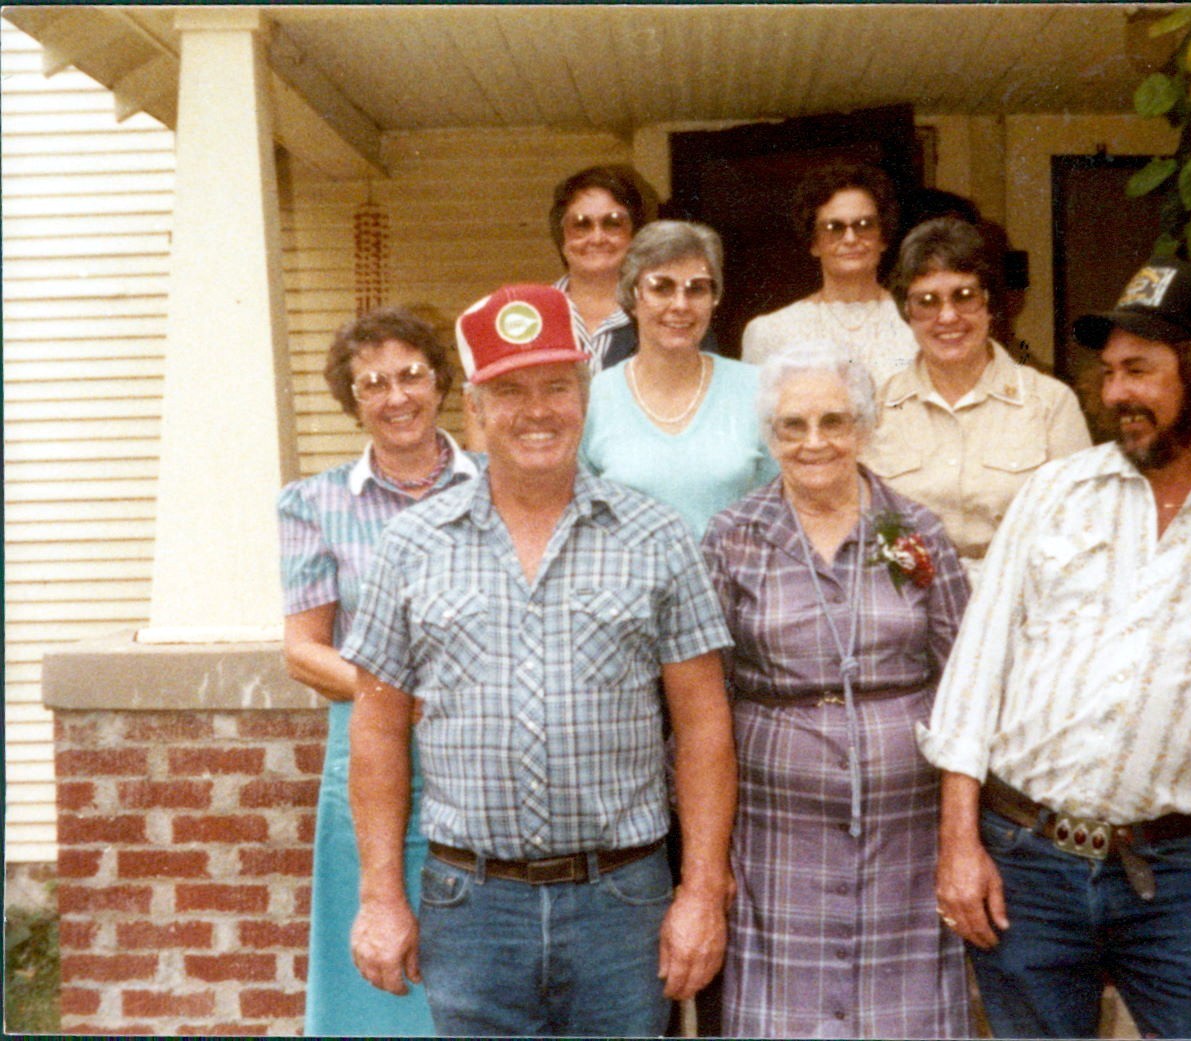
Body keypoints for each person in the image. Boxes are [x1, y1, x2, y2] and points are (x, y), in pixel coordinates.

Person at [919, 256, 1191, 1038]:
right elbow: (976, 670)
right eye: (1108, 373)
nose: (1112, 395)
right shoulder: (1057, 492)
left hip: (1171, 871)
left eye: (1138, 371)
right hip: (1024, 858)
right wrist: (958, 843)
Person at [340, 283, 738, 1037]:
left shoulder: (655, 537)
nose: (537, 411)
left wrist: (700, 892)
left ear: (585, 399)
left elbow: (704, 724)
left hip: (622, 902)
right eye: (510, 391)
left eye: (557, 386)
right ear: (475, 408)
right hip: (471, 907)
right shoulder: (411, 546)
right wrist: (381, 896)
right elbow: (378, 729)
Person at [702, 341, 971, 1038]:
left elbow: (964, 686)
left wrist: (965, 834)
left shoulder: (914, 532)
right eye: (793, 425)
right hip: (777, 839)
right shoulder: (734, 538)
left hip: (905, 837)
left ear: (864, 427)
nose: (814, 441)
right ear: (771, 436)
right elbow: (702, 702)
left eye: (834, 421)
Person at [277, 306, 478, 1037]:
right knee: (377, 962)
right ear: (352, 400)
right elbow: (304, 649)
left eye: (411, 375)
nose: (397, 397)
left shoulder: (495, 484)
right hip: (368, 752)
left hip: (481, 748)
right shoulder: (313, 502)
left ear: (440, 383)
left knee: (483, 955)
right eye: (373, 384)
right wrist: (401, 700)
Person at [863, 218, 1091, 580]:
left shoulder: (1050, 403)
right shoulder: (876, 409)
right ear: (907, 312)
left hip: (1019, 593)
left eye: (964, 296)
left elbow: (1080, 527)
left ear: (989, 302)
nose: (947, 316)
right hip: (910, 596)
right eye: (927, 302)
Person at [580, 220, 779, 538]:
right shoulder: (595, 397)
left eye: (697, 289)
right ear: (632, 295)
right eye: (661, 287)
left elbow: (780, 509)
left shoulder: (758, 389)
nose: (680, 305)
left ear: (714, 297)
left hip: (737, 569)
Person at [741, 162, 918, 383]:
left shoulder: (918, 321)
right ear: (814, 242)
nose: (850, 238)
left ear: (883, 237)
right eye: (834, 228)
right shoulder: (772, 332)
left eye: (864, 225)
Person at [549, 165, 645, 375]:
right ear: (561, 235)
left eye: (613, 223)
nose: (597, 238)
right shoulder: (532, 314)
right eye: (581, 225)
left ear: (634, 234)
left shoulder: (666, 314)